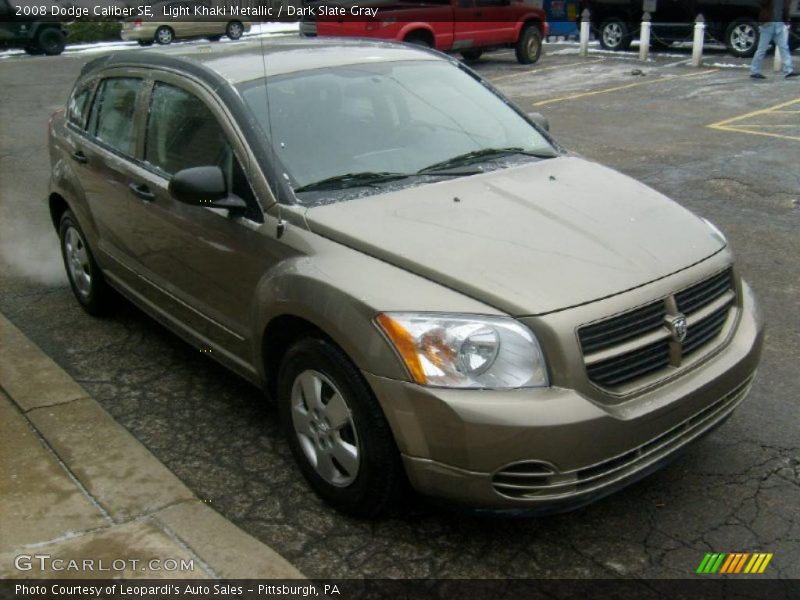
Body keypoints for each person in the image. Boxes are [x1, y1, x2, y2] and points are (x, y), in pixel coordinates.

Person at [750, 0, 797, 79]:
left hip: (779, 25)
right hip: (767, 25)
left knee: (784, 47)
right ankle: (755, 71)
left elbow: (785, 9)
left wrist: (786, 20)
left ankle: (789, 70)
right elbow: (762, 3)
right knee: (762, 49)